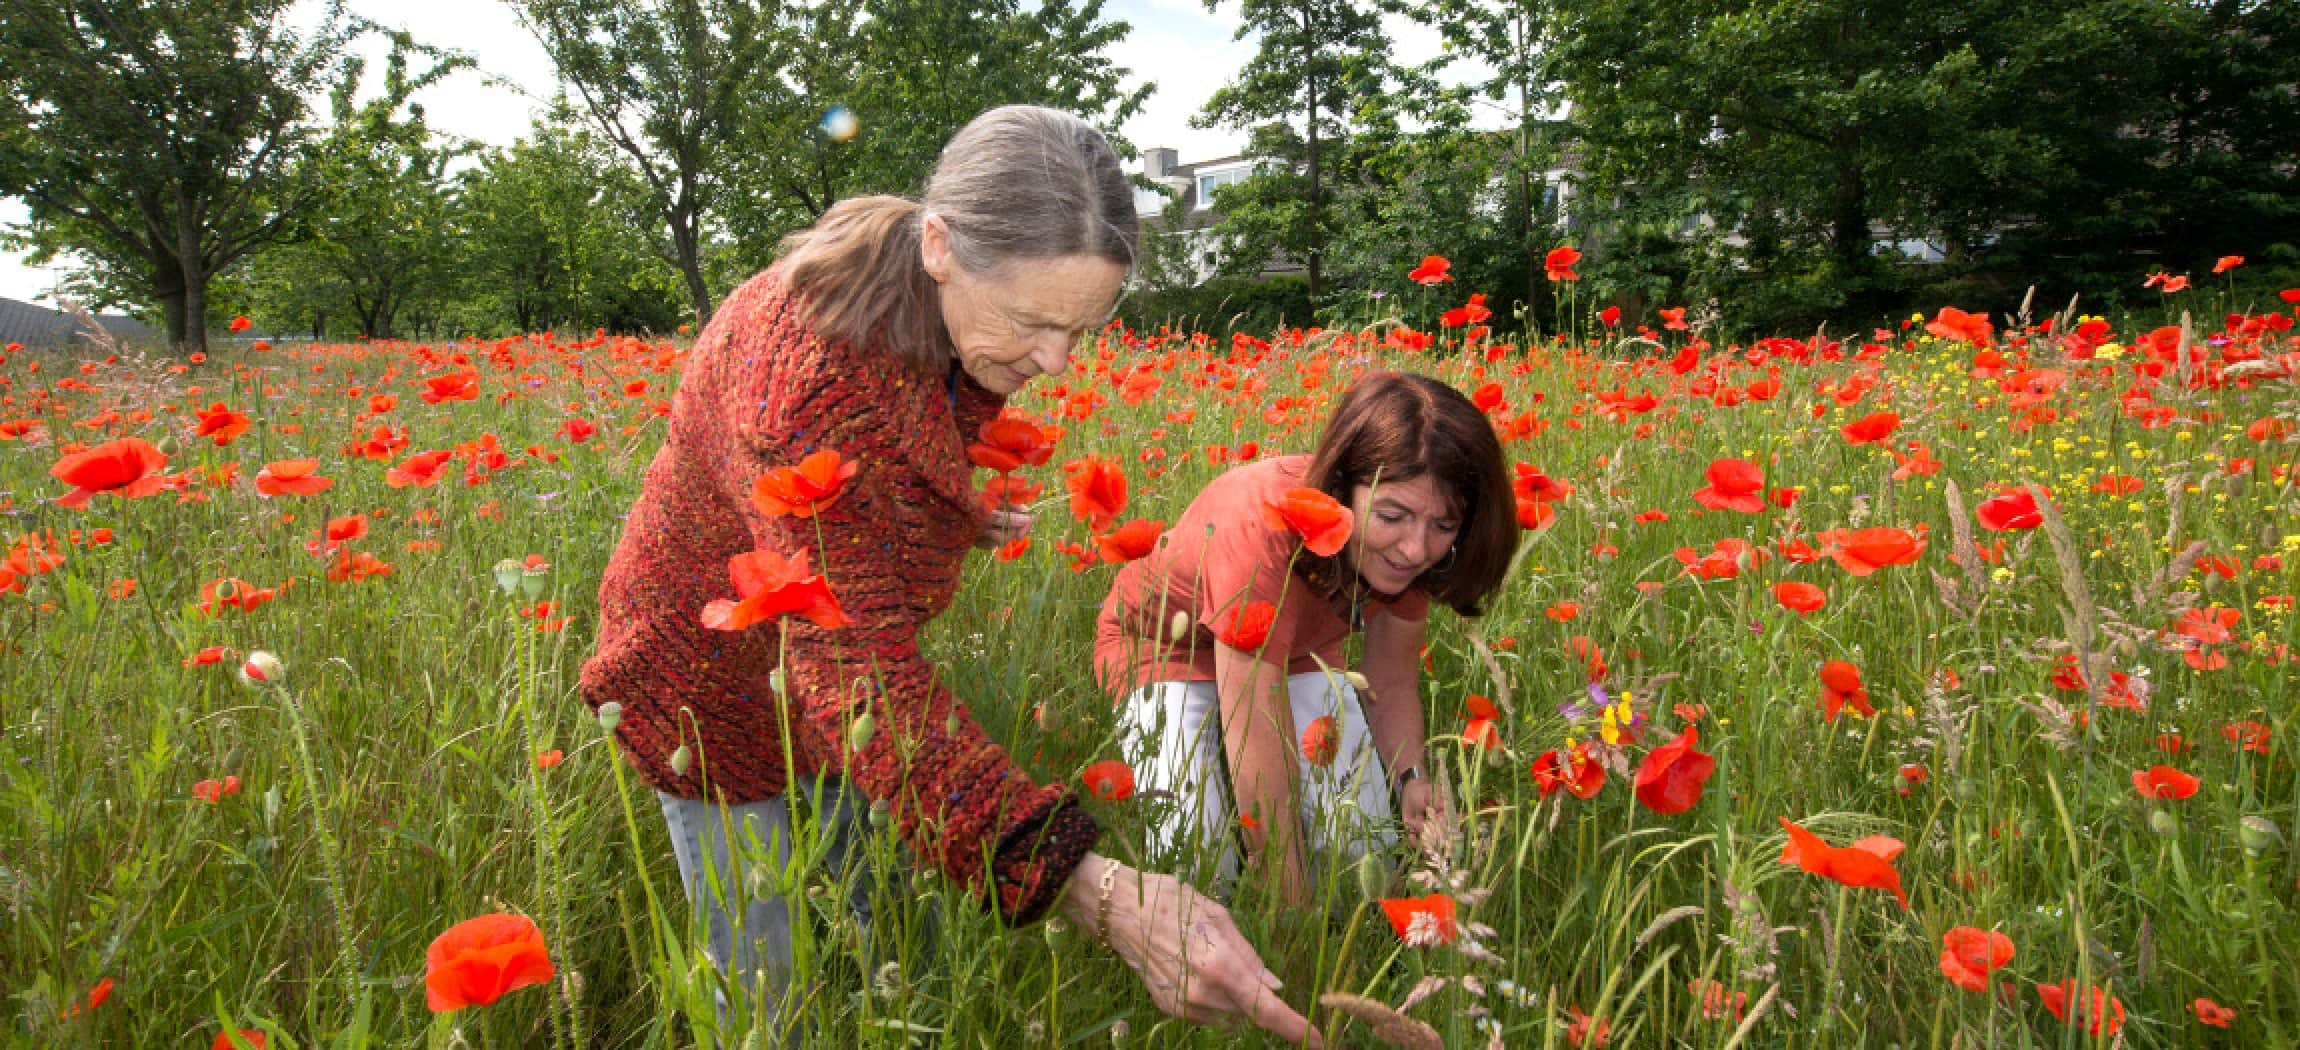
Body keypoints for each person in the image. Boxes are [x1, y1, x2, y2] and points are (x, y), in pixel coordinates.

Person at [580, 105, 1316, 1045]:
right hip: (712, 691)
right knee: (766, 1000)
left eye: (1080, 329)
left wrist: (958, 513)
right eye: (1032, 322)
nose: (1054, 361)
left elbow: (897, 450)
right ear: (940, 245)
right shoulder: (802, 380)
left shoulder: (922, 298)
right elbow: (855, 664)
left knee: (902, 947)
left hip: (840, 696)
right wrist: (1094, 888)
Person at [1095, 372, 1519, 902]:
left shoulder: (1409, 553)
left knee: (1362, 858)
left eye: (1443, 525)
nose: (1414, 549)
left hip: (1297, 652)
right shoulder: (1261, 526)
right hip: (1164, 651)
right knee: (1201, 866)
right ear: (1341, 488)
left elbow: (1389, 679)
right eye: (1392, 515)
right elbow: (1256, 739)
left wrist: (1410, 777)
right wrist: (1287, 909)